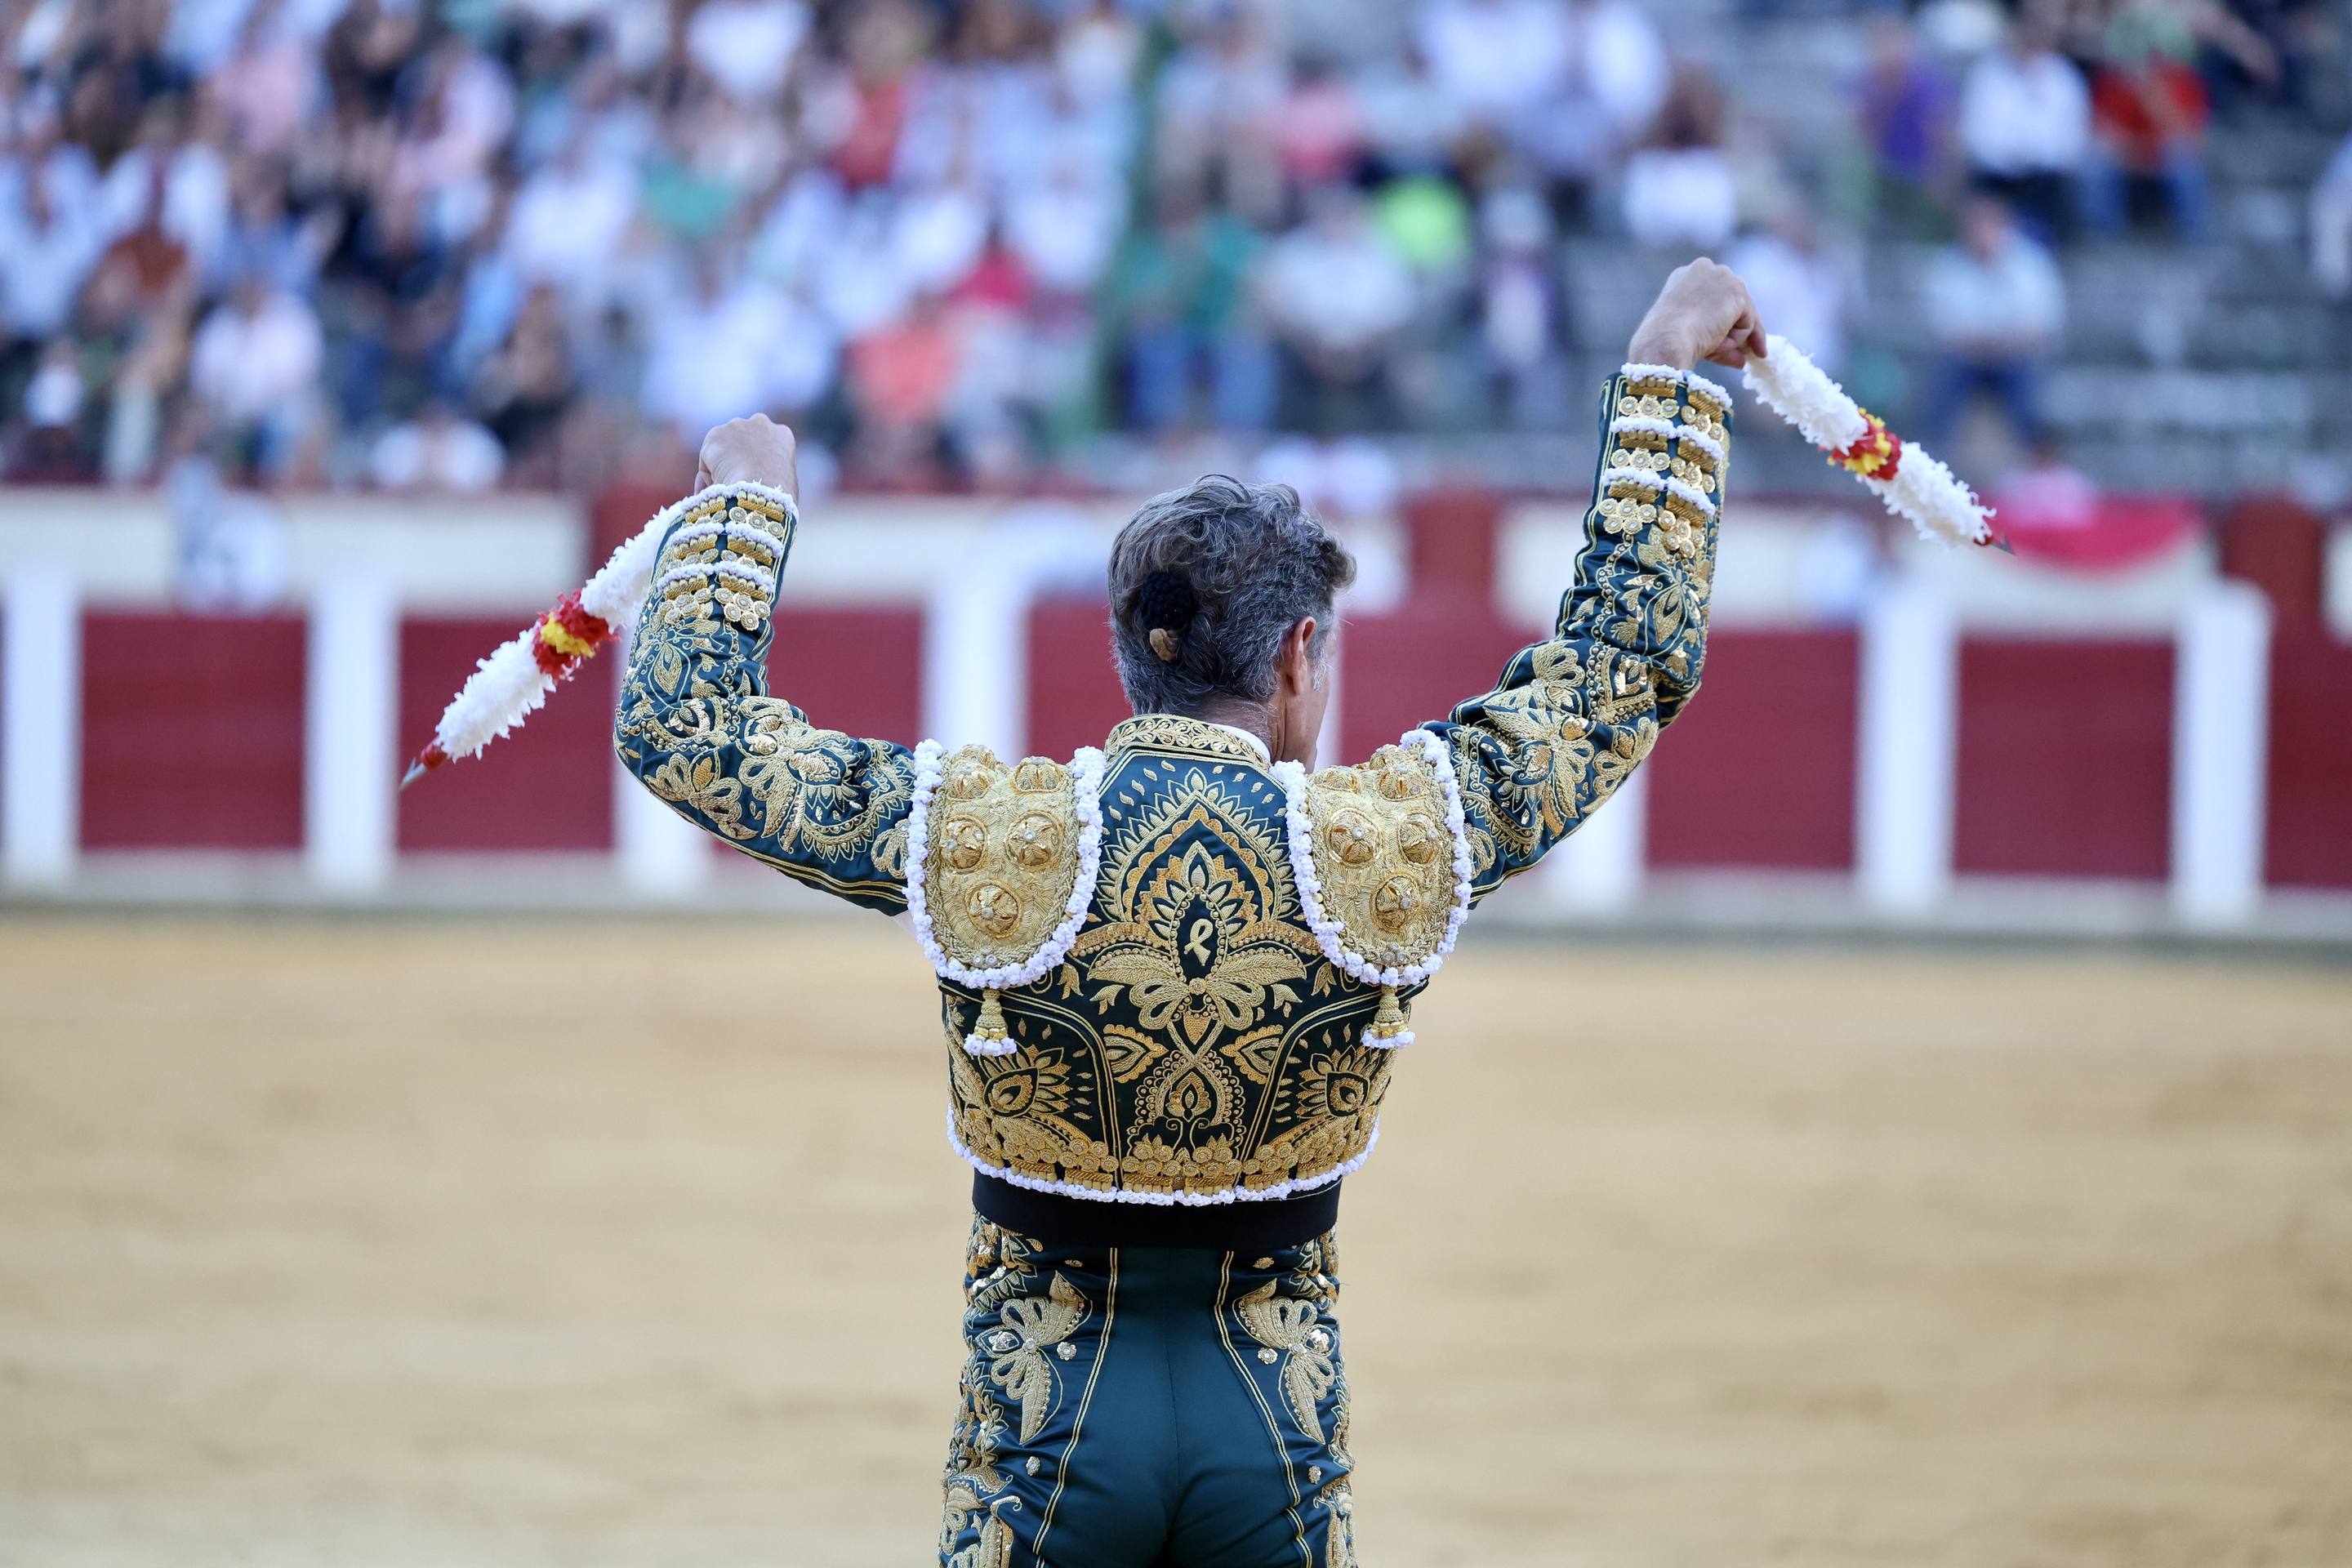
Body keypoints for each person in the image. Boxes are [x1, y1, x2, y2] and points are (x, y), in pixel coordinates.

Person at [612, 260, 1761, 1568]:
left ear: (1123, 654)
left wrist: (740, 516)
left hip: (1042, 1419)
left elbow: (685, 729)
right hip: (1272, 1418)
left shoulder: (993, 837)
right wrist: (1666, 375)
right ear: (1296, 659)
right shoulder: (1390, 840)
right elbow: (1624, 663)